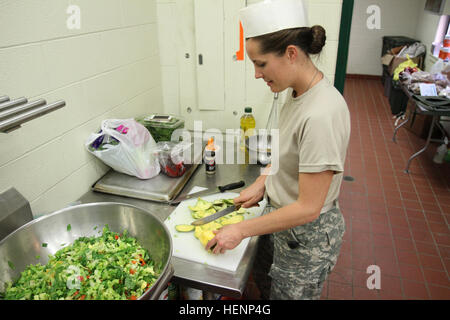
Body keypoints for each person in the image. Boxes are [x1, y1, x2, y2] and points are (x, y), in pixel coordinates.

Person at [205, 0, 351, 300]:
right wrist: (261, 183)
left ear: (291, 54)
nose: (257, 75)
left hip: (305, 239)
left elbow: (309, 207)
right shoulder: (295, 93)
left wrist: (242, 230)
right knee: (264, 288)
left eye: (260, 64)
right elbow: (284, 151)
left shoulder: (323, 113)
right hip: (278, 218)